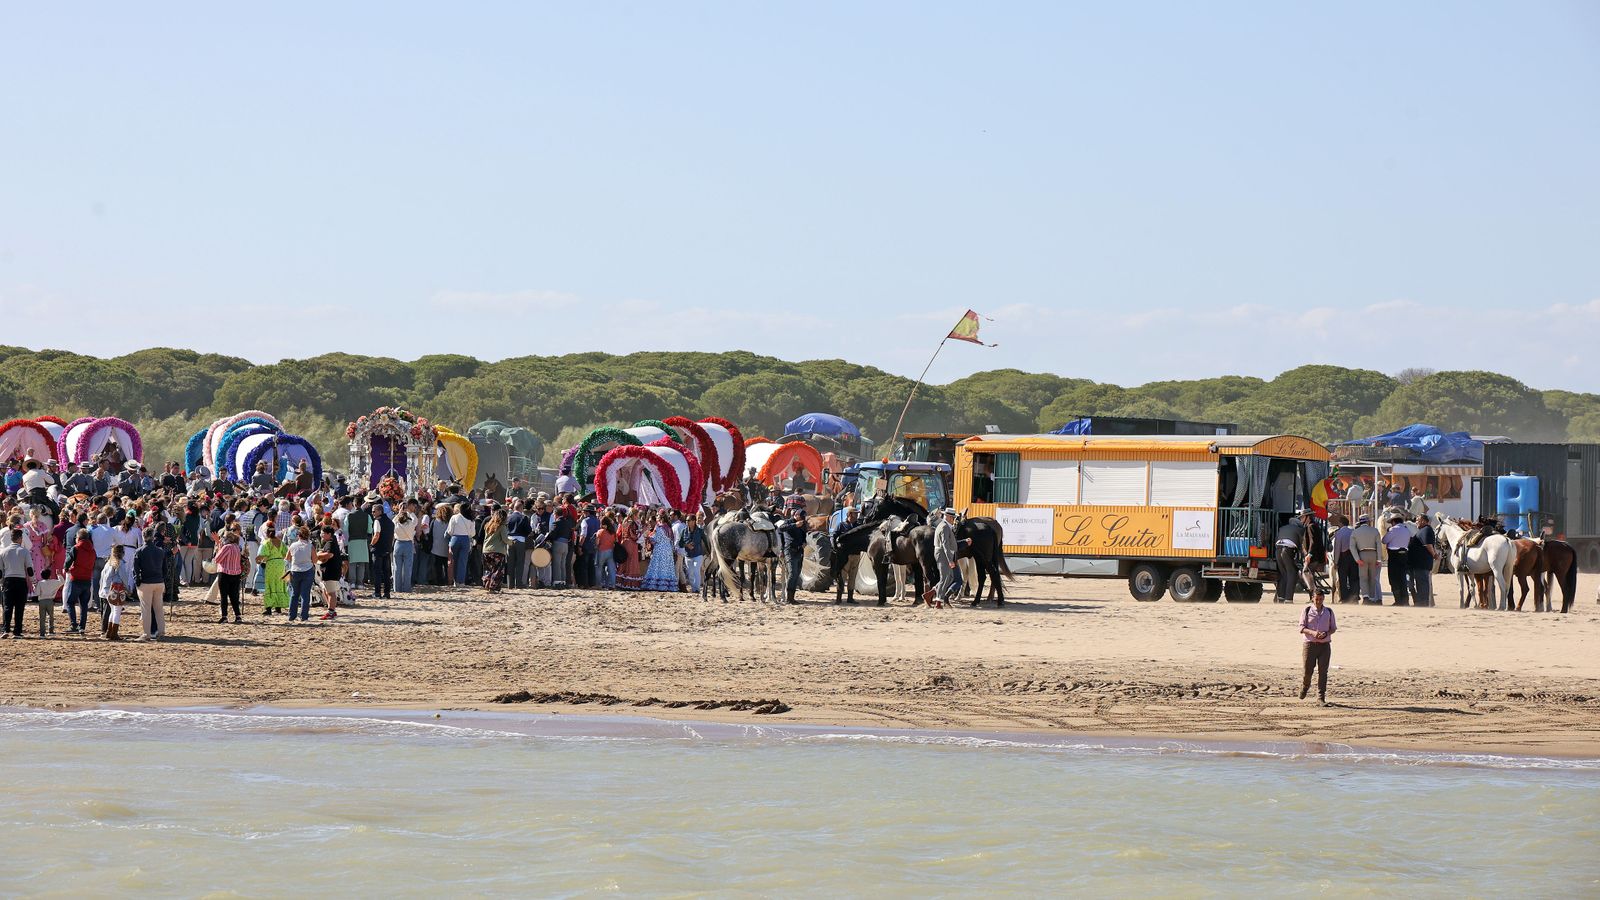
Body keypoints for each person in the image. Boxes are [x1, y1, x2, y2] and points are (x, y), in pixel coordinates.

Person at [1298, 590, 1336, 706]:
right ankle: (1305, 687)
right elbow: (1301, 628)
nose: (1319, 601)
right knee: (1307, 671)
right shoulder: (1307, 610)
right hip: (1310, 645)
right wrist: (1313, 633)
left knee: (1323, 672)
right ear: (1312, 599)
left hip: (1324, 646)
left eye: (1321, 599)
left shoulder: (1328, 611)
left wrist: (1326, 633)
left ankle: (1321, 697)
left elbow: (1333, 628)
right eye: (1316, 599)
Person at [134, 536, 170, 641]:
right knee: (159, 609)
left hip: (146, 582)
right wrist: (162, 579)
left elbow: (135, 569)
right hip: (159, 582)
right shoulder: (160, 551)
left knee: (146, 609)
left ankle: (147, 634)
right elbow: (165, 569)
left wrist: (137, 582)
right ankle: (161, 632)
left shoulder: (139, 551)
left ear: (143, 537)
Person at [1, 530, 32, 638]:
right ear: (19, 538)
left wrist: (1, 583)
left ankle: (5, 629)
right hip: (20, 581)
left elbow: (0, 571)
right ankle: (17, 631)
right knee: (19, 607)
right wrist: (33, 581)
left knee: (7, 606)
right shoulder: (24, 551)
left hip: (8, 580)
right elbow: (29, 569)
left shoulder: (3, 552)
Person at [1273, 511, 1309, 604]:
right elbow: (1302, 545)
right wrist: (1304, 556)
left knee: (1283, 574)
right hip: (1288, 550)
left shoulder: (1282, 528)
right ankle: (1288, 598)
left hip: (1278, 550)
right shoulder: (1300, 530)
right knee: (1292, 573)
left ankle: (1281, 597)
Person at [65, 527, 96, 633]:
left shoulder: (76, 548)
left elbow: (69, 560)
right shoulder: (92, 550)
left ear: (78, 538)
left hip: (76, 578)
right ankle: (82, 626)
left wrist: (66, 569)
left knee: (70, 602)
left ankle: (73, 624)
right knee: (84, 604)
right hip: (87, 579)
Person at [774, 507, 807, 604]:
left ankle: (792, 597)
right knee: (792, 573)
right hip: (790, 550)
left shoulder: (803, 524)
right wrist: (794, 525)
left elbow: (803, 535)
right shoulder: (788, 522)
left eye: (803, 517)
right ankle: (788, 597)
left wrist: (804, 542)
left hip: (799, 550)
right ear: (796, 516)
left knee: (797, 574)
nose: (802, 519)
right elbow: (781, 528)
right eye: (801, 517)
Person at [641, 511, 679, 593]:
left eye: (657, 516)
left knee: (657, 566)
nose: (657, 518)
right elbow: (671, 540)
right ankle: (667, 585)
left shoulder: (658, 527)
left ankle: (656, 584)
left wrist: (648, 537)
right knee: (666, 567)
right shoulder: (669, 527)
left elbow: (656, 539)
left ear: (660, 518)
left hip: (660, 549)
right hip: (668, 549)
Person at [257, 526, 290, 616]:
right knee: (279, 583)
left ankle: (269, 608)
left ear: (267, 533)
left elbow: (264, 555)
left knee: (270, 584)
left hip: (271, 563)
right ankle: (278, 607)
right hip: (280, 563)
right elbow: (285, 554)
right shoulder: (281, 542)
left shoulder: (267, 543)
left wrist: (258, 559)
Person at [1350, 514, 1382, 604]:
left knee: (1363, 577)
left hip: (1362, 554)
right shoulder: (1375, 531)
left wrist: (1357, 559)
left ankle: (1365, 597)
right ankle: (1372, 597)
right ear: (1368, 521)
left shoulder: (1355, 532)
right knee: (1372, 577)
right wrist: (1378, 559)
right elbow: (1379, 545)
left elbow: (1352, 547)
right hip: (1373, 554)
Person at [1381, 514, 1413, 606]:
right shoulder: (1407, 530)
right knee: (1402, 578)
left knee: (1394, 579)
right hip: (1404, 555)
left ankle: (1398, 600)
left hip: (1394, 555)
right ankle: (1405, 600)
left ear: (1394, 522)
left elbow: (1384, 540)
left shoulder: (1393, 529)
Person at [214, 528, 244, 623]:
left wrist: (219, 545)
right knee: (234, 596)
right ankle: (238, 616)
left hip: (225, 573)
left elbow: (217, 559)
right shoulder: (237, 547)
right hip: (236, 574)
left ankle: (224, 616)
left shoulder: (227, 547)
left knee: (224, 596)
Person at [286, 527, 316, 623]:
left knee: (294, 594)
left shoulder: (293, 545)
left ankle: (292, 616)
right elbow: (315, 560)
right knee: (305, 594)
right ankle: (304, 616)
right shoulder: (310, 546)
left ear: (298, 535)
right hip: (307, 570)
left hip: (295, 570)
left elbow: (287, 558)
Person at [933, 508, 962, 605]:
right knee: (944, 578)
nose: (953, 520)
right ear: (949, 517)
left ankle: (931, 595)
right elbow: (945, 544)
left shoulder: (944, 525)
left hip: (943, 554)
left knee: (949, 577)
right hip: (943, 554)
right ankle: (938, 601)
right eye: (953, 518)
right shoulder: (945, 527)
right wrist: (950, 560)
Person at [1407, 513, 1437, 607]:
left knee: (1422, 583)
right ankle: (1420, 602)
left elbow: (1428, 545)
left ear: (1424, 521)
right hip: (1417, 563)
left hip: (1422, 563)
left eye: (1417, 520)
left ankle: (1423, 602)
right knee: (1419, 583)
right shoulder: (1422, 530)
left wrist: (1434, 554)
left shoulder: (1427, 530)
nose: (1416, 522)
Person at [315, 525, 344, 620]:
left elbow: (329, 554)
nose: (321, 535)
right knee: (326, 590)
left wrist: (317, 555)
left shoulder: (330, 543)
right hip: (331, 570)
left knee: (331, 592)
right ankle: (331, 610)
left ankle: (331, 611)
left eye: (323, 533)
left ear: (329, 534)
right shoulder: (331, 541)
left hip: (331, 570)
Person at [1329, 514, 1358, 604]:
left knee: (1343, 578)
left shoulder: (1339, 533)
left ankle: (1345, 598)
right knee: (1353, 578)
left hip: (1343, 557)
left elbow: (1337, 549)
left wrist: (1336, 561)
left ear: (1341, 523)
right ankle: (1354, 597)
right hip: (1353, 557)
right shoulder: (1353, 531)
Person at [446, 503, 475, 587]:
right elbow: (472, 533)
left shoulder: (454, 517)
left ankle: (455, 581)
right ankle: (461, 581)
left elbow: (450, 531)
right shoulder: (471, 519)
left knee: (454, 561)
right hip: (465, 539)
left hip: (455, 539)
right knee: (462, 562)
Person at [370, 501, 394, 600]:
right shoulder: (390, 522)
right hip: (387, 549)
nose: (372, 513)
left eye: (374, 511)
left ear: (379, 511)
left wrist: (371, 544)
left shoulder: (377, 521)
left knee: (377, 572)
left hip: (378, 549)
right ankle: (387, 593)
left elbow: (376, 534)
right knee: (386, 572)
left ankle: (377, 592)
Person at [481, 508, 508, 593]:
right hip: (497, 551)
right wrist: (512, 542)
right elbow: (505, 539)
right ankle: (493, 587)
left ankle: (486, 584)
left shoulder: (488, 525)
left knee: (488, 569)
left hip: (486, 550)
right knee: (497, 570)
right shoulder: (502, 526)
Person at [392, 502, 417, 594]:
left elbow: (393, 521)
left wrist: (399, 512)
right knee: (407, 568)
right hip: (408, 544)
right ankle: (406, 588)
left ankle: (396, 588)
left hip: (398, 543)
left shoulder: (397, 523)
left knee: (397, 567)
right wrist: (409, 511)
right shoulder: (411, 523)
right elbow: (415, 519)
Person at [615, 509, 643, 590]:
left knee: (624, 562)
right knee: (631, 562)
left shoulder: (624, 521)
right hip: (631, 544)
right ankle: (629, 584)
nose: (637, 517)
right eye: (637, 515)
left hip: (624, 543)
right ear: (634, 515)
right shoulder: (632, 523)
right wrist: (642, 531)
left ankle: (621, 582)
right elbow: (634, 536)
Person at [679, 512, 705, 594]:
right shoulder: (684, 531)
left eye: (688, 520)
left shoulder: (700, 531)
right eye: (686, 520)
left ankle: (696, 589)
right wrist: (686, 545)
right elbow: (680, 543)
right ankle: (694, 588)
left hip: (698, 554)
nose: (686, 522)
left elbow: (706, 541)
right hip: (688, 555)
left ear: (693, 521)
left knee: (696, 571)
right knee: (690, 573)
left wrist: (706, 552)